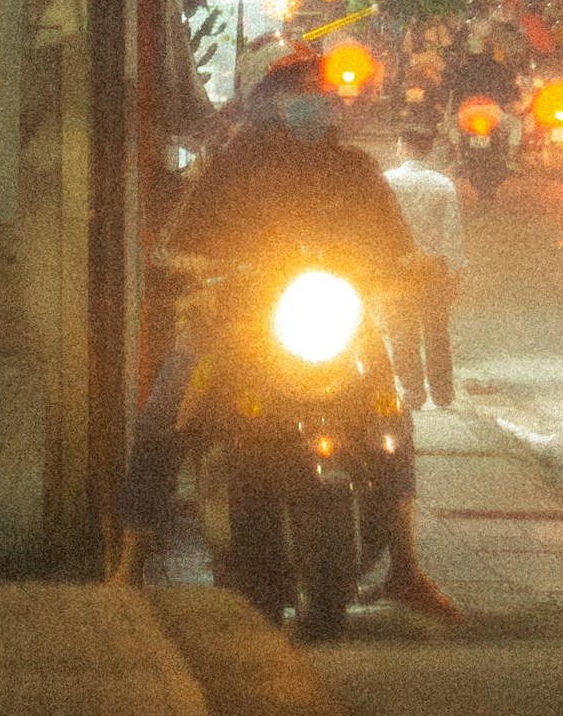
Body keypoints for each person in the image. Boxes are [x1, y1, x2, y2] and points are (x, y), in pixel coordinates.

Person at [114, 49, 461, 614]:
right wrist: (189, 268)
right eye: (301, 91)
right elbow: (177, 246)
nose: (314, 101)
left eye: (321, 92)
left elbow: (398, 249)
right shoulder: (232, 166)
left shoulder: (356, 170)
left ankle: (405, 565)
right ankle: (129, 564)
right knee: (163, 419)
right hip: (234, 321)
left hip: (332, 322)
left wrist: (418, 265)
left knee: (391, 417)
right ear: (273, 100)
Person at [375, 114, 466, 410]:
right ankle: (442, 393)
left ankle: (414, 391)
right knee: (437, 332)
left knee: (401, 332)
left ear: (402, 147)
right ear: (428, 150)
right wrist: (456, 269)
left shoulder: (386, 182)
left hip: (398, 268)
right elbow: (453, 233)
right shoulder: (443, 185)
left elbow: (378, 226)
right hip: (434, 268)